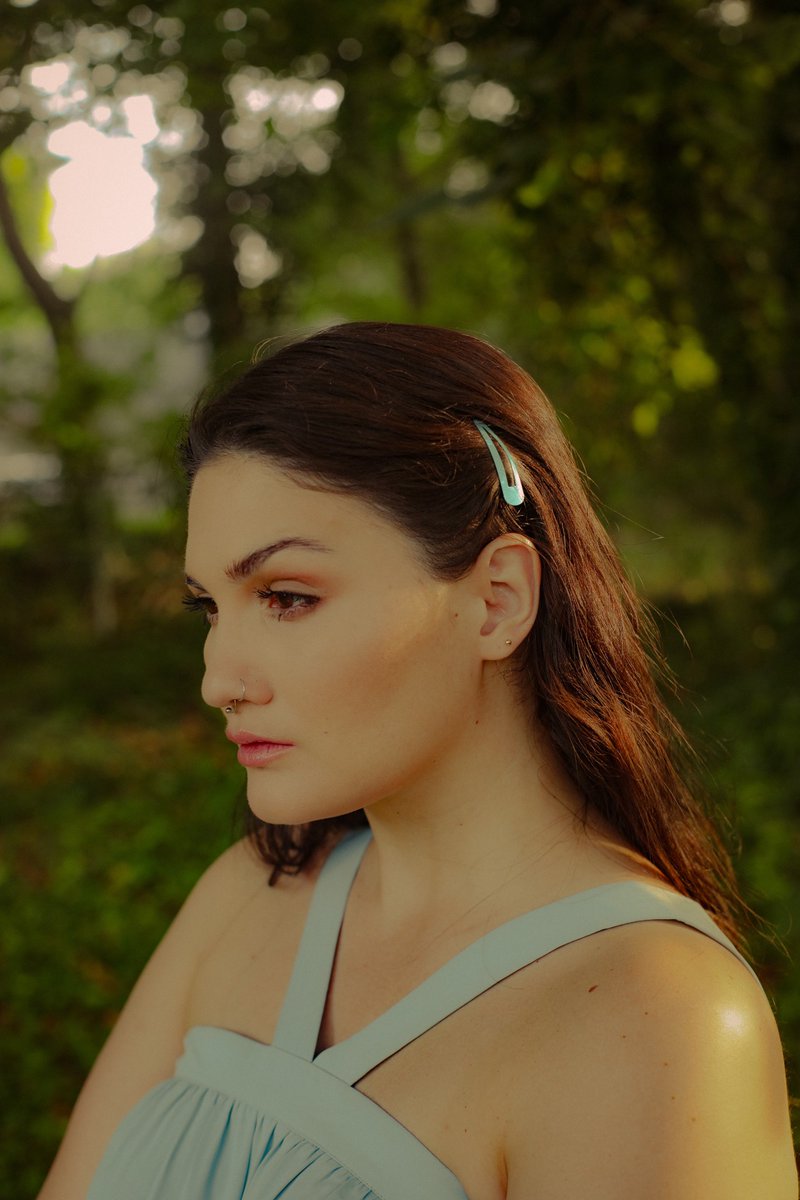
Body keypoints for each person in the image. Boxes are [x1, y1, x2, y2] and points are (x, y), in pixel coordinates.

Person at [38, 322, 796, 1200]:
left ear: (496, 601)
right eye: (210, 608)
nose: (219, 682)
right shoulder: (249, 893)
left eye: (287, 597)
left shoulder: (656, 1017)